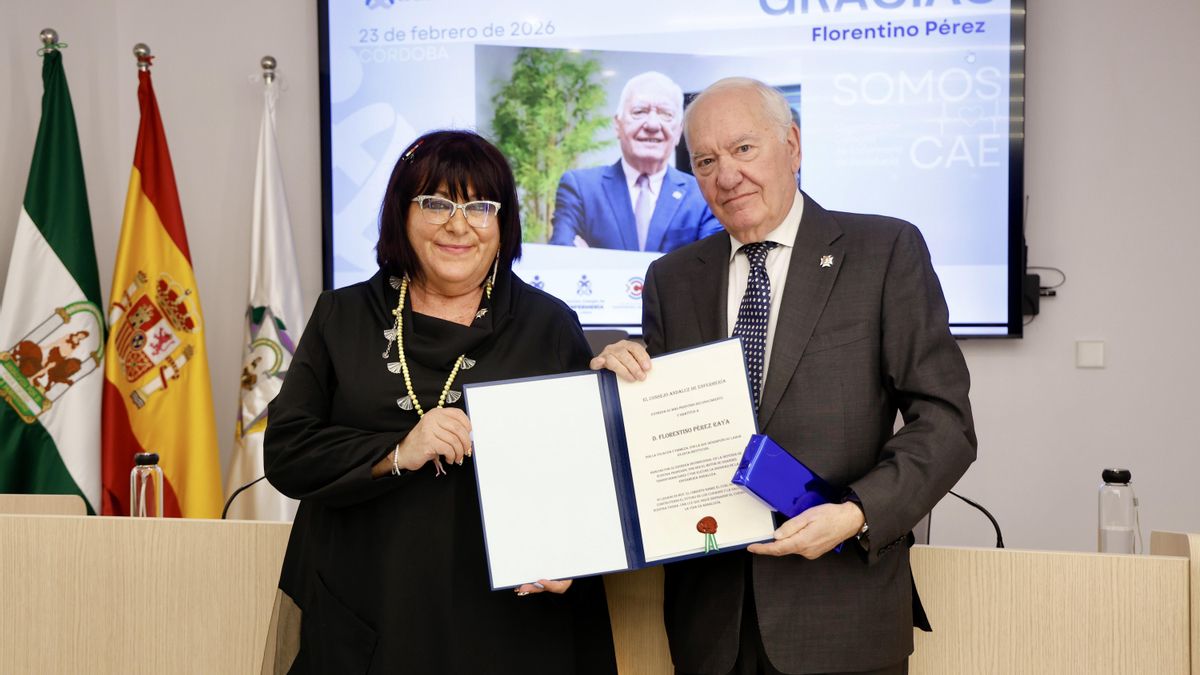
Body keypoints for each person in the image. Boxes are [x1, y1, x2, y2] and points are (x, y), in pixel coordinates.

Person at [592, 78, 977, 675]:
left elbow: (946, 421)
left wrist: (857, 513)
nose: (726, 176)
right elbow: (659, 440)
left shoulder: (884, 250)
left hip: (841, 609)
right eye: (706, 161)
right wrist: (613, 393)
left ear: (792, 145)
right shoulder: (672, 278)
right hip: (710, 623)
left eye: (744, 149)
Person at [263, 130, 618, 674]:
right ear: (400, 215)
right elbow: (288, 452)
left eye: (480, 206)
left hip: (511, 622)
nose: (459, 224)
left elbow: (592, 475)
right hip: (370, 611)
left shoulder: (549, 325)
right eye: (436, 203)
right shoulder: (343, 316)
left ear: (503, 225)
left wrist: (573, 553)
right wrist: (397, 451)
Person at [549, 71, 721, 252]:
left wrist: (594, 259)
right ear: (618, 124)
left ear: (678, 131)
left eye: (666, 114)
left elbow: (709, 265)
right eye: (639, 112)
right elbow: (564, 257)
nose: (653, 125)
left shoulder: (702, 194)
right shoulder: (580, 188)